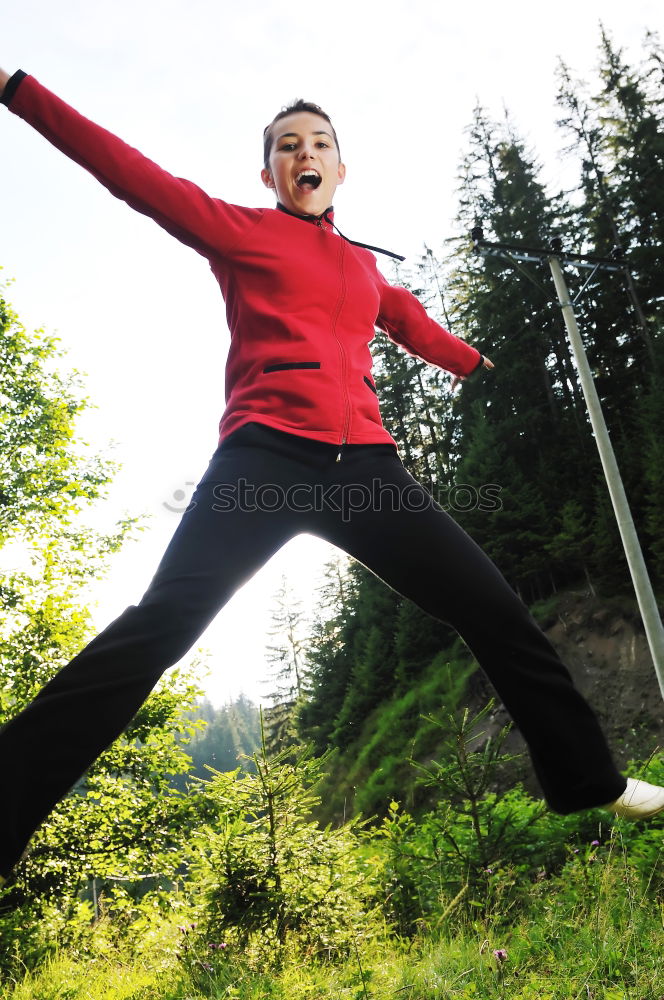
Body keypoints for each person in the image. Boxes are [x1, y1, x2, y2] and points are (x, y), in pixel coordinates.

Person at [1, 67, 662, 888]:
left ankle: (587, 780)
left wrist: (481, 366)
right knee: (157, 628)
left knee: (495, 611)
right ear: (270, 172)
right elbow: (129, 172)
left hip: (367, 472)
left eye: (318, 144)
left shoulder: (362, 268)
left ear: (340, 170)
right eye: (286, 146)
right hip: (265, 458)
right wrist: (15, 88)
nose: (302, 154)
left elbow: (409, 319)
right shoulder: (240, 231)